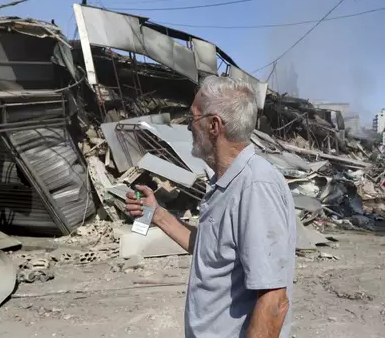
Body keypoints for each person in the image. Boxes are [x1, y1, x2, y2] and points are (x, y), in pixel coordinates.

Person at [125, 76, 296, 338]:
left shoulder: (254, 186)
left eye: (193, 118)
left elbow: (273, 300)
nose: (188, 127)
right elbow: (209, 250)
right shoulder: (224, 182)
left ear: (214, 125)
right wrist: (155, 213)